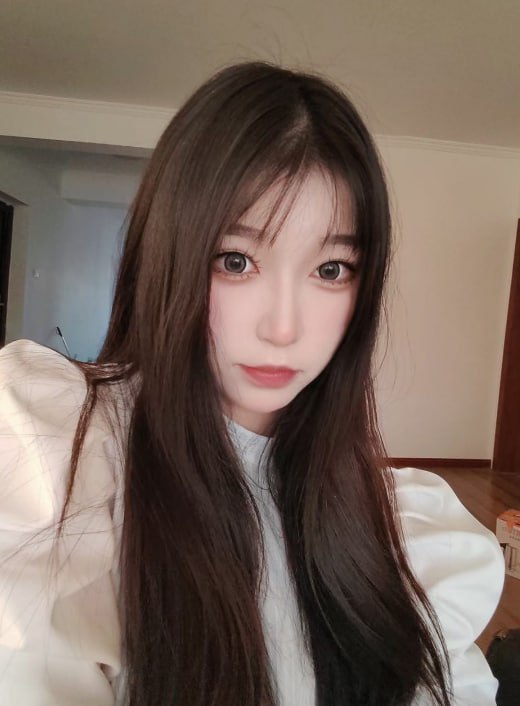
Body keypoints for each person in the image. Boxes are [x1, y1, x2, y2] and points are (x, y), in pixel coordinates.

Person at [0, 61, 505, 706]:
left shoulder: (395, 518)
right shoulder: (60, 456)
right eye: (236, 261)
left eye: (331, 269)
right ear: (168, 257)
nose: (283, 328)